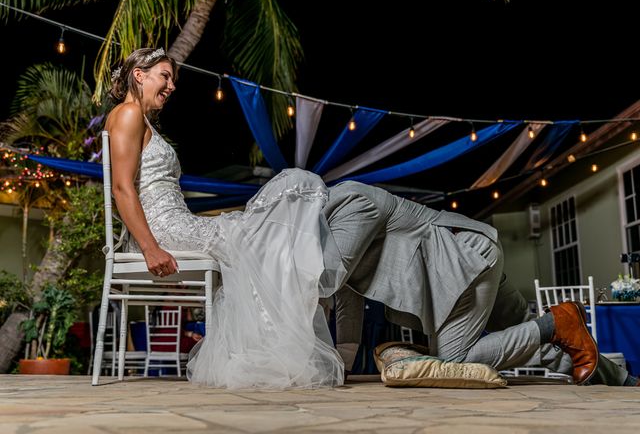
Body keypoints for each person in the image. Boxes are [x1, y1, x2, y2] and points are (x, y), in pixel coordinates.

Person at [105, 47, 636, 389]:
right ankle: (606, 367)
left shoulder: (354, 205)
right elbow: (126, 187)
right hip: (464, 259)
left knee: (462, 355)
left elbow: (329, 282)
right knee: (548, 351)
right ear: (137, 73)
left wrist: (325, 354)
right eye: (165, 76)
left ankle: (560, 321)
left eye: (171, 76)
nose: (170, 85)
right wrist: (341, 356)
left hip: (463, 261)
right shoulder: (129, 114)